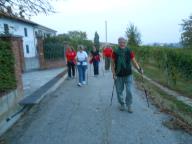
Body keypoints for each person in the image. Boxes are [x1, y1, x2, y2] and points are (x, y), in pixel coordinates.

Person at [111, 37, 143, 113]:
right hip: (118, 75)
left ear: (126, 43)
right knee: (119, 91)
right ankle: (122, 104)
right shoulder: (115, 52)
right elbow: (112, 64)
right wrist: (113, 73)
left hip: (128, 74)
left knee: (129, 91)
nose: (122, 44)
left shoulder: (129, 51)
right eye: (120, 42)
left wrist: (139, 69)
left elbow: (134, 61)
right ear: (118, 43)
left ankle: (129, 105)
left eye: (123, 42)